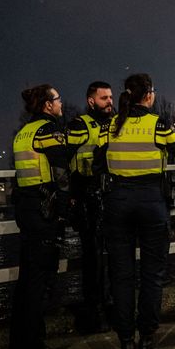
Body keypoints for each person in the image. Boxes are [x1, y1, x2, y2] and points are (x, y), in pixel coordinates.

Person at [93, 74, 175, 349]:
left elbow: (96, 165)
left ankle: (125, 338)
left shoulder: (110, 126)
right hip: (152, 201)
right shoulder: (158, 125)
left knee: (122, 274)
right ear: (149, 95)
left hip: (118, 201)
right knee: (153, 274)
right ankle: (148, 336)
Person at [9, 84, 73, 349]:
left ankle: (20, 337)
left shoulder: (23, 133)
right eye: (57, 100)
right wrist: (66, 209)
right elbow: (61, 172)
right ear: (48, 105)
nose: (61, 104)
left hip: (26, 208)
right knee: (41, 278)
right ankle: (34, 342)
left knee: (27, 277)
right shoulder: (49, 130)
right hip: (45, 210)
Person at [67, 81, 115, 334]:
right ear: (91, 101)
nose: (110, 101)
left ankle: (111, 306)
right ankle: (95, 310)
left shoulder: (117, 123)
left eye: (111, 97)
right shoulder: (79, 125)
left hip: (113, 196)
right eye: (104, 98)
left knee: (115, 256)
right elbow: (67, 162)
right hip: (89, 196)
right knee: (93, 258)